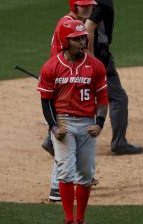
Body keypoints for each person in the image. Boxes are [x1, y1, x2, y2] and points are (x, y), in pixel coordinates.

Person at [37, 20, 108, 224]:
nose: (82, 42)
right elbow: (46, 101)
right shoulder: (52, 67)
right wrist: (53, 127)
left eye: (82, 38)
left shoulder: (95, 66)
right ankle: (69, 219)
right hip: (64, 124)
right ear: (65, 41)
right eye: (76, 39)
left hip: (87, 124)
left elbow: (102, 99)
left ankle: (81, 219)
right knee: (66, 171)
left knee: (86, 174)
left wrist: (100, 123)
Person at [42, 0, 98, 203]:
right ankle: (57, 188)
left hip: (67, 81)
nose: (89, 8)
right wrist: (66, 81)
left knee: (65, 138)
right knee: (64, 135)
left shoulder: (77, 23)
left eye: (90, 5)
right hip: (63, 84)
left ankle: (72, 175)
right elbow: (64, 57)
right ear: (74, 6)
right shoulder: (66, 24)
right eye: (84, 5)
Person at [85, 0, 143, 155]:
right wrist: (91, 58)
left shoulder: (85, 2)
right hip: (98, 57)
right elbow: (89, 26)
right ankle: (119, 143)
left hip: (79, 53)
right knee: (118, 98)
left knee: (78, 95)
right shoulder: (103, 2)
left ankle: (52, 141)